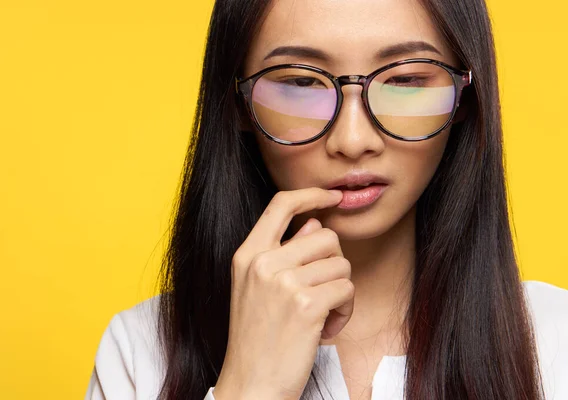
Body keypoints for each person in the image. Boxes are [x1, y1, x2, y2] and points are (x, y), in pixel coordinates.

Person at [84, 0, 568, 399]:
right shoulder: (140, 354)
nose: (353, 139)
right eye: (300, 82)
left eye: (405, 79)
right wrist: (250, 387)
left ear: (465, 96)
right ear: (237, 106)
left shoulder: (555, 342)